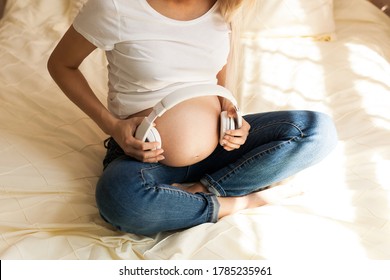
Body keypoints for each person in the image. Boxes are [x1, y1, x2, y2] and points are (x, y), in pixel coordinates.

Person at [47, 0, 338, 236]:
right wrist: (112, 125)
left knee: (317, 131)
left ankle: (205, 189)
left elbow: (218, 74)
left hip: (222, 145)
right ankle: (239, 202)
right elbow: (61, 64)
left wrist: (232, 114)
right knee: (120, 200)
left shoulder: (225, 6)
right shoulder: (114, 7)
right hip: (145, 154)